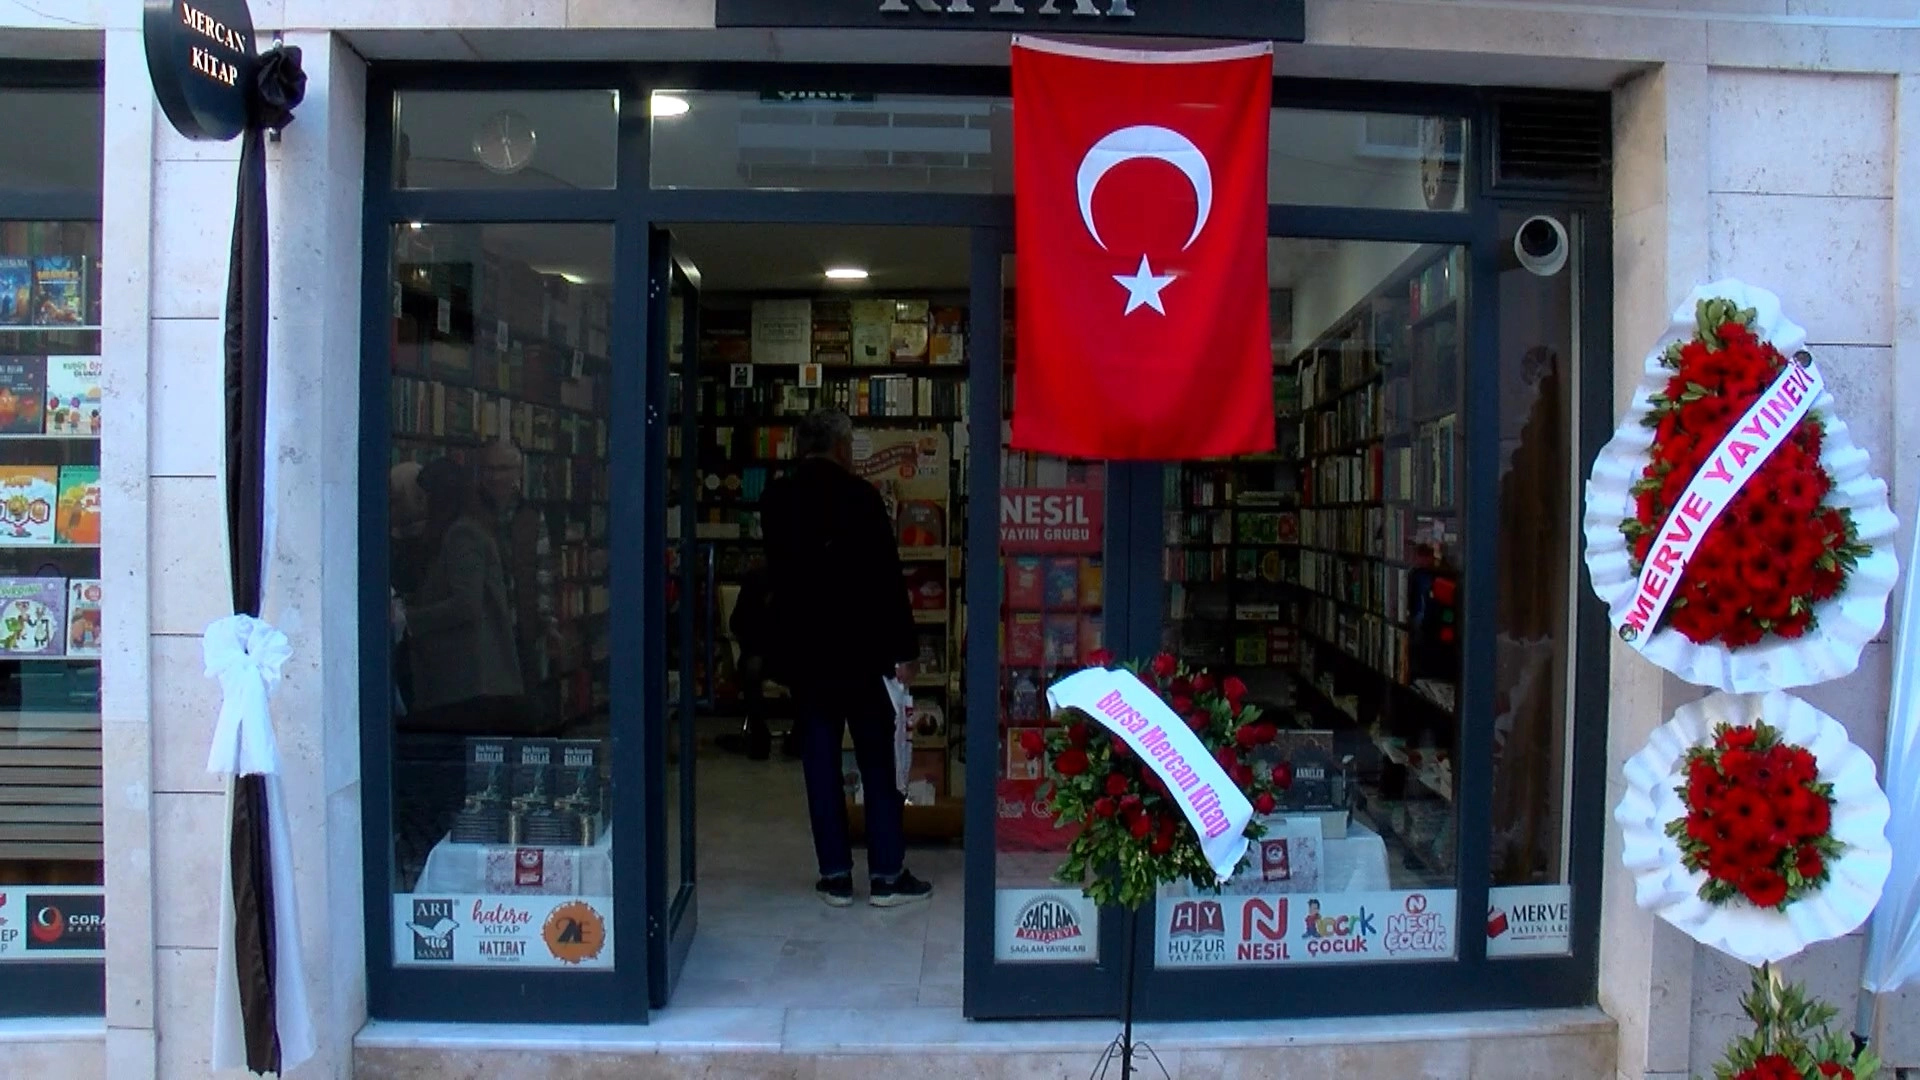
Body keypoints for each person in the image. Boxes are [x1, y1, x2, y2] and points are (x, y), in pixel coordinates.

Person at [760, 409, 932, 908]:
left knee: (819, 762)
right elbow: (886, 579)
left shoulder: (777, 500)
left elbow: (781, 578)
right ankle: (886, 875)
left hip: (807, 653)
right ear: (840, 447)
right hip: (861, 650)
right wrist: (904, 650)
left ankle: (835, 875)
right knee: (878, 761)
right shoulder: (860, 497)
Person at [403, 457, 525, 734]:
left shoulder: (462, 534)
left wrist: (408, 620)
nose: (420, 506)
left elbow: (465, 605)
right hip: (470, 681)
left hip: (469, 680)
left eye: (424, 498)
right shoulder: (466, 530)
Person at [475, 440, 564, 727]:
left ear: (517, 472)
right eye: (489, 469)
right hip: (482, 634)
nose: (495, 476)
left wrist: (548, 623)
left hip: (522, 631)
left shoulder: (531, 515)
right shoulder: (470, 513)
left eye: (503, 468)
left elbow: (543, 574)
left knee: (525, 710)